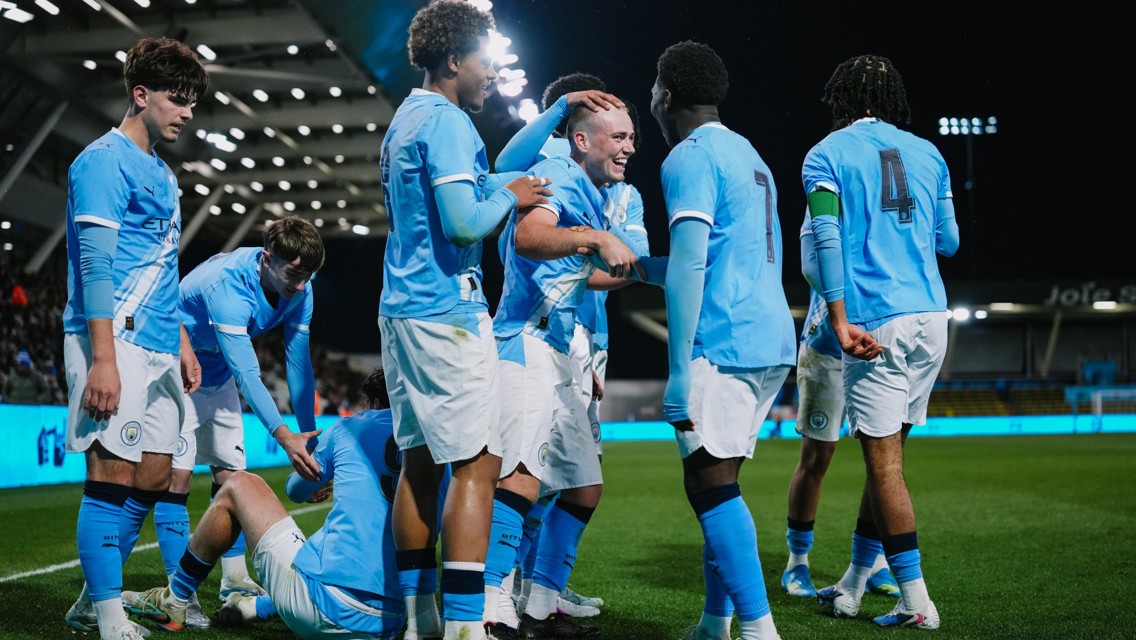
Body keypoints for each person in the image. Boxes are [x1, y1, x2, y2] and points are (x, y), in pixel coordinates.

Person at [378, 2, 553, 639]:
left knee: (420, 464)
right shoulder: (449, 122)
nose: (490, 75)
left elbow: (477, 180)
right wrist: (511, 196)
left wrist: (552, 120)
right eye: (484, 63)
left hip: (401, 311)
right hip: (446, 314)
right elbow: (463, 221)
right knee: (479, 463)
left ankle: (420, 619)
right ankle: (463, 626)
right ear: (455, 61)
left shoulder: (408, 117)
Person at [803, 54, 959, 630]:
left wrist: (839, 320)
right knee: (886, 459)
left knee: (884, 467)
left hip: (874, 323)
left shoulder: (826, 154)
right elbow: (950, 241)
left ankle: (917, 602)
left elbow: (825, 236)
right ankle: (854, 580)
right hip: (932, 316)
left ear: (840, 100)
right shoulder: (931, 153)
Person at [60, 37, 207, 640]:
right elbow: (96, 267)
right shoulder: (101, 161)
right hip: (110, 339)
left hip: (156, 343)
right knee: (112, 476)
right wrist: (102, 360)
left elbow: (163, 265)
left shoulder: (165, 175)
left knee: (155, 475)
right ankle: (108, 616)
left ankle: (92, 602)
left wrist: (182, 341)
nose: (188, 112)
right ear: (140, 95)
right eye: (178, 99)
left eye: (194, 101)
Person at [651, 41, 796, 640]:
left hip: (724, 340)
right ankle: (716, 622)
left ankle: (760, 631)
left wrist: (679, 367)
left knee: (709, 481)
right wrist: (638, 265)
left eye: (653, 88)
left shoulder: (687, 156)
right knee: (719, 481)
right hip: (769, 335)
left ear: (666, 94)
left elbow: (691, 266)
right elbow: (721, 251)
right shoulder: (748, 152)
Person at [486, 100, 645, 639]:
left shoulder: (598, 192)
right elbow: (530, 238)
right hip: (523, 342)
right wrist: (596, 239)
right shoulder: (558, 173)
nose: (628, 147)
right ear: (581, 140)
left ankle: (540, 605)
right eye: (618, 137)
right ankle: (491, 604)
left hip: (560, 348)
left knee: (583, 485)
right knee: (522, 477)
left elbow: (582, 278)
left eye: (631, 138)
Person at [120, 368, 407, 639]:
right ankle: (260, 606)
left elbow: (296, 489)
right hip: (393, 622)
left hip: (326, 610)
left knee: (240, 484)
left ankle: (175, 597)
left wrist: (314, 484)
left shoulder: (351, 427)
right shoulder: (432, 448)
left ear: (377, 401)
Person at [150, 215, 324, 623]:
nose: (300, 285)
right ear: (266, 258)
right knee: (174, 479)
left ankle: (235, 579)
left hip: (216, 372)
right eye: (294, 274)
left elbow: (298, 365)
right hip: (174, 367)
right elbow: (248, 374)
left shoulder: (301, 287)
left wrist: (308, 441)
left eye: (309, 276)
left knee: (233, 480)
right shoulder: (228, 286)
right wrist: (284, 438)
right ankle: (181, 595)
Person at [780, 208, 900, 600]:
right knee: (817, 457)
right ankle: (797, 560)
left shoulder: (885, 200)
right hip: (828, 345)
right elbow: (814, 266)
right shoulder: (827, 193)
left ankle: (875, 559)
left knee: (882, 461)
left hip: (880, 341)